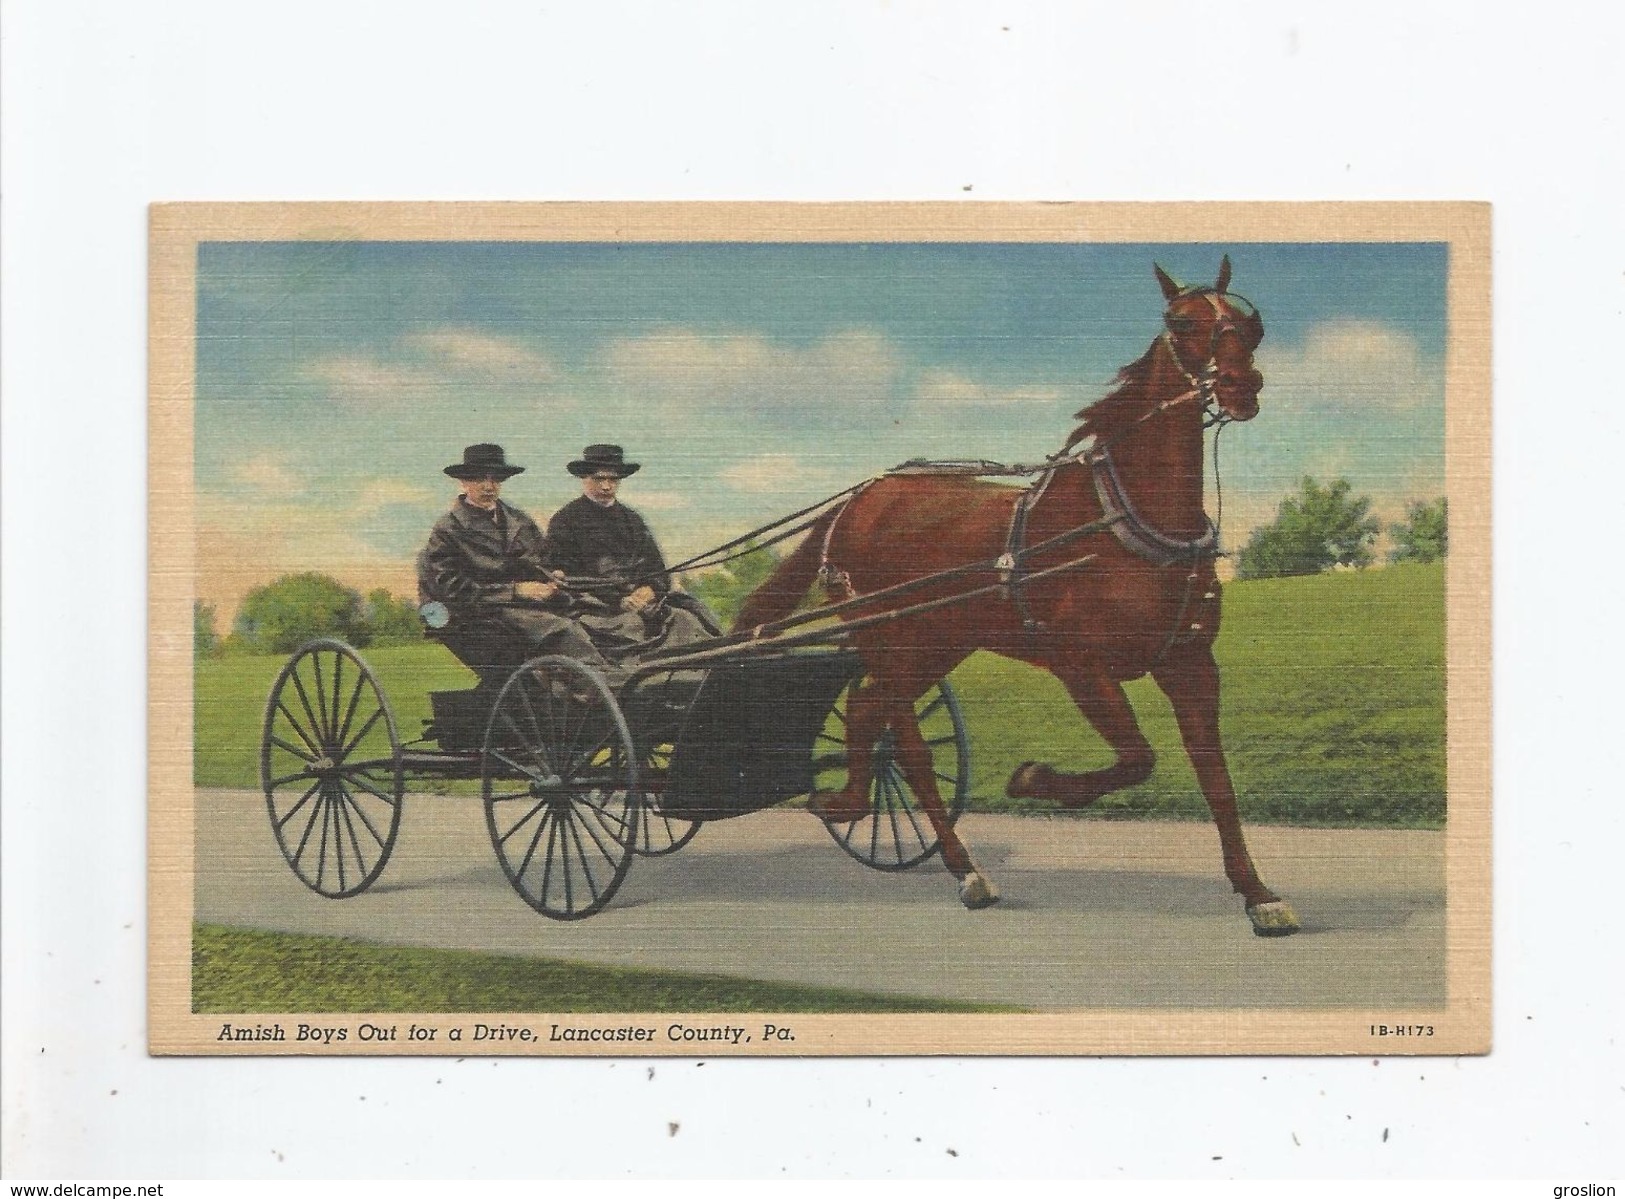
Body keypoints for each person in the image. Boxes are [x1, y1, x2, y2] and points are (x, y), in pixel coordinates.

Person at [416, 443, 615, 675]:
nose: (489, 486)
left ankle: (615, 673)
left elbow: (541, 560)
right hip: (475, 615)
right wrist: (516, 591)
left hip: (525, 607)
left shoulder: (519, 521)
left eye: (495, 479)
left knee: (594, 614)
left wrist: (551, 576)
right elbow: (450, 589)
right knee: (561, 628)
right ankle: (601, 684)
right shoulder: (448, 529)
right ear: (464, 482)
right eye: (480, 479)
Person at [544, 444, 714, 658]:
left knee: (688, 616)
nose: (606, 486)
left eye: (613, 480)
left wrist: (648, 591)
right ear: (584, 478)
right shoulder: (566, 520)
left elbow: (657, 569)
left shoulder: (632, 520)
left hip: (643, 602)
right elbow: (563, 576)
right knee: (631, 625)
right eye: (599, 479)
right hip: (595, 608)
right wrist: (619, 600)